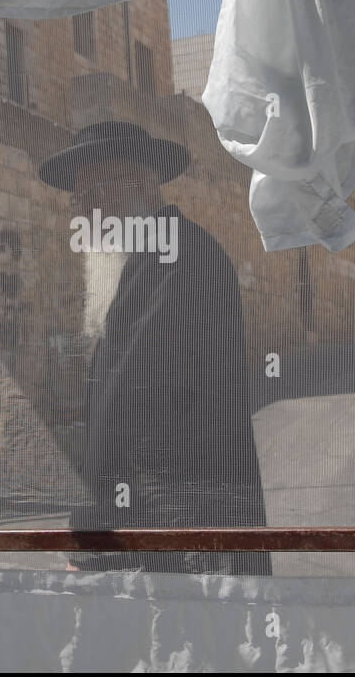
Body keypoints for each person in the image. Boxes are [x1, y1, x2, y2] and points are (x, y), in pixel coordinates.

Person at [38, 120, 272, 576]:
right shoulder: (150, 263)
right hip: (158, 538)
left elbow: (137, 416)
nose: (77, 213)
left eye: (88, 195)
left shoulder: (181, 262)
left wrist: (92, 540)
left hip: (183, 544)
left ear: (136, 183)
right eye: (75, 199)